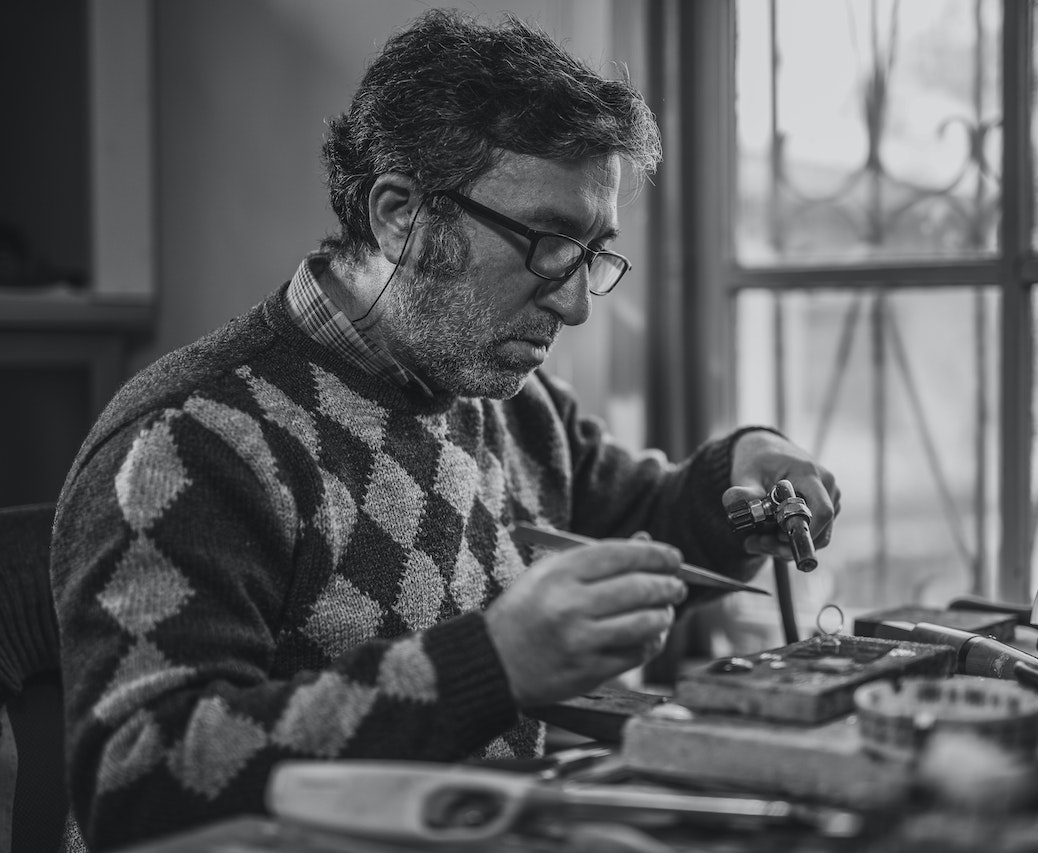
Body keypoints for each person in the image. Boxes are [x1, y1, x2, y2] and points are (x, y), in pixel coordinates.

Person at [50, 9, 839, 850]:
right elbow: (138, 783)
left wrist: (742, 476)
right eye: (547, 243)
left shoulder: (506, 396)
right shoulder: (189, 442)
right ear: (399, 214)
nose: (574, 302)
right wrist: (488, 664)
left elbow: (650, 524)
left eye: (592, 253)